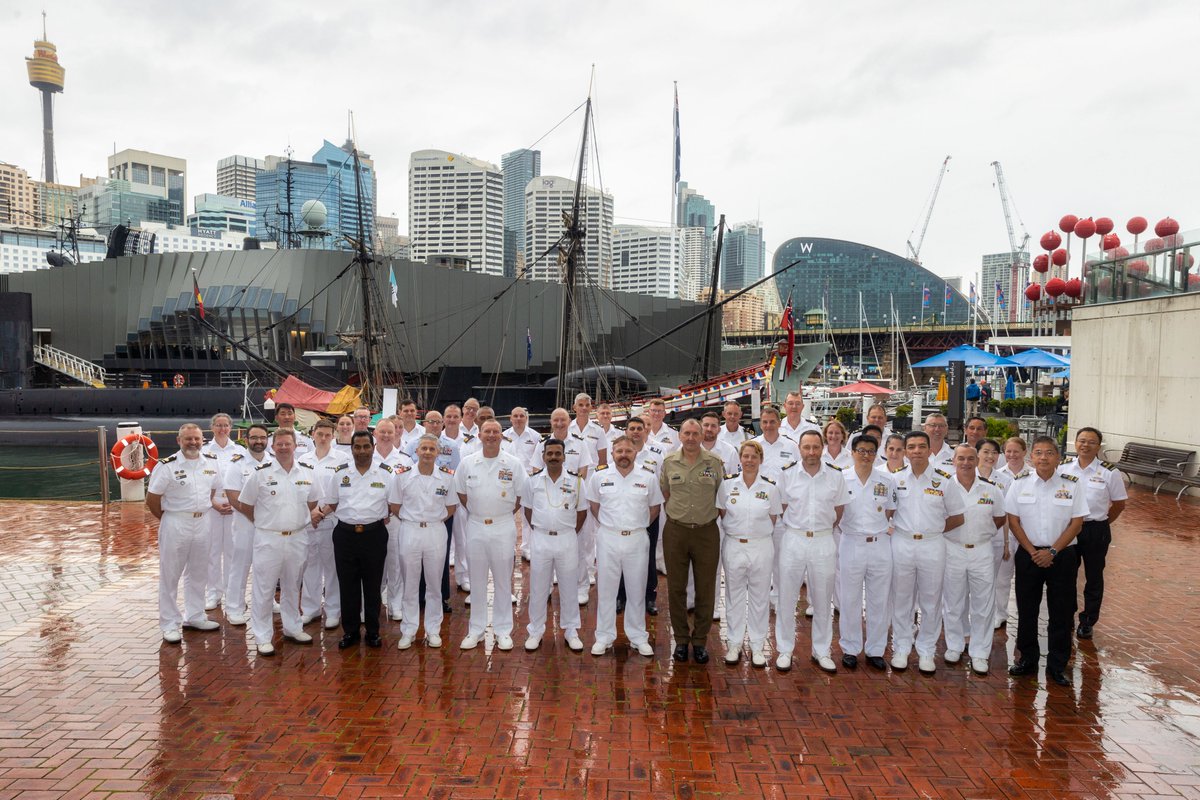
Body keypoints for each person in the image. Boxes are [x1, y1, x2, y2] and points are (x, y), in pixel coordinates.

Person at [1006, 436, 1089, 686]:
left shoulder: (1072, 484)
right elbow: (1013, 520)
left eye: (1049, 453)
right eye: (1039, 453)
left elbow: (1077, 523)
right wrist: (1033, 551)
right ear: (1031, 457)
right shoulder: (1019, 484)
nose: (1043, 457)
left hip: (1062, 556)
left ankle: (1057, 664)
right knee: (1027, 610)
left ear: (1058, 457)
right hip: (1029, 555)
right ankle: (1027, 659)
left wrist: (1052, 551)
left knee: (1061, 612)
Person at [235, 429, 319, 656]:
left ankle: (293, 627)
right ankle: (263, 636)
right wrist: (264, 523)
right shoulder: (260, 474)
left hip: (297, 537)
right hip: (268, 538)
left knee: (293, 585)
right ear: (273, 447)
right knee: (264, 588)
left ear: (295, 446)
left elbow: (313, 502)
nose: (283, 447)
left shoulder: (308, 472)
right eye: (279, 444)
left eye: (287, 444)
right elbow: (245, 504)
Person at [889, 430, 965, 675]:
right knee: (901, 599)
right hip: (902, 542)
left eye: (922, 446)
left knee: (931, 600)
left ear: (929, 449)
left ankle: (926, 650)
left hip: (933, 543)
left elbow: (957, 517)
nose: (917, 451)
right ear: (906, 452)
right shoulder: (896, 479)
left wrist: (936, 531)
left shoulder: (945, 480)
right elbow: (888, 512)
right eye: (911, 447)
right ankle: (901, 647)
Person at [776, 430, 848, 673]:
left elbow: (839, 510)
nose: (811, 452)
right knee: (787, 597)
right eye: (806, 447)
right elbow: (782, 506)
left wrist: (822, 528)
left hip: (823, 540)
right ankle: (785, 649)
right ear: (799, 448)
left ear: (823, 447)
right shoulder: (787, 474)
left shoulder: (835, 476)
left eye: (816, 447)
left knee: (822, 599)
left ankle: (821, 650)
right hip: (794, 538)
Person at [586, 435, 663, 657]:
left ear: (635, 452)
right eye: (619, 451)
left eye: (628, 451)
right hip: (608, 537)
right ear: (612, 453)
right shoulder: (600, 476)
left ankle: (638, 637)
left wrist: (637, 526)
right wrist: (612, 526)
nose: (623, 455)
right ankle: (604, 636)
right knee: (607, 590)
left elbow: (654, 508)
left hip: (637, 538)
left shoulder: (647, 477)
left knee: (637, 590)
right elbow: (594, 505)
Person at [147, 423, 224, 643]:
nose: (193, 443)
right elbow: (152, 499)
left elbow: (212, 490)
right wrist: (169, 519)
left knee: (199, 572)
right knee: (170, 575)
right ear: (179, 440)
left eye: (197, 439)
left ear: (203, 440)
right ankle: (170, 623)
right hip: (175, 522)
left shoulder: (211, 463)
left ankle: (195, 615)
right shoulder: (167, 466)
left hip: (203, 522)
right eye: (188, 439)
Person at [455, 419, 527, 651]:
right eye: (487, 431)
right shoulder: (467, 463)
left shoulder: (513, 464)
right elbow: (461, 494)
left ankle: (503, 630)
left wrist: (500, 513)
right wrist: (480, 511)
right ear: (480, 435)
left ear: (501, 436)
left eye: (496, 431)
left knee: (503, 580)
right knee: (476, 580)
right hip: (475, 525)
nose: (492, 435)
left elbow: (520, 497)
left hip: (503, 526)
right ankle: (475, 630)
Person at [317, 430, 394, 649]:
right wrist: (317, 513)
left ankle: (372, 631)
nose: (361, 451)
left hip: (374, 536)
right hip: (345, 536)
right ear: (351, 449)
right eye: (357, 447)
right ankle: (350, 632)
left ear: (373, 447)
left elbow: (394, 504)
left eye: (366, 446)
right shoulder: (340, 474)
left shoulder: (386, 474)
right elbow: (331, 503)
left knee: (373, 586)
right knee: (347, 586)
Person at [659, 419, 725, 665]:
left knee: (705, 588)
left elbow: (721, 494)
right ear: (680, 435)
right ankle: (681, 640)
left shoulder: (715, 463)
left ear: (701, 435)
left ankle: (699, 641)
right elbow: (665, 493)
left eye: (695, 433)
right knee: (676, 588)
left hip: (706, 532)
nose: (690, 437)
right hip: (676, 531)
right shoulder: (668, 462)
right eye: (686, 433)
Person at [387, 434, 457, 650]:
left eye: (431, 449)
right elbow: (395, 505)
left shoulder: (447, 477)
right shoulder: (402, 476)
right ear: (416, 451)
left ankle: (433, 630)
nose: (427, 452)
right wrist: (415, 519)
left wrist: (432, 520)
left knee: (435, 584)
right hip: (410, 531)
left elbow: (451, 507)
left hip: (436, 531)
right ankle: (408, 630)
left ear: (438, 453)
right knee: (410, 583)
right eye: (424, 448)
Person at [941, 443, 1006, 675]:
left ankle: (979, 652)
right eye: (961, 459)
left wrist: (980, 534)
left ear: (977, 460)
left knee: (983, 604)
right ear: (953, 461)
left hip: (981, 550)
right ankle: (955, 646)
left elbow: (999, 518)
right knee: (953, 601)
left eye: (970, 458)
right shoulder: (944, 486)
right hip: (953, 548)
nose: (966, 463)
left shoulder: (991, 489)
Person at [717, 440, 782, 666]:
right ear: (740, 459)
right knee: (734, 597)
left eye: (754, 456)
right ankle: (734, 644)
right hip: (734, 544)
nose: (749, 460)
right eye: (745, 456)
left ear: (761, 460)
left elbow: (773, 517)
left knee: (759, 597)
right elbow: (722, 513)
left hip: (761, 545)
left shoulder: (770, 487)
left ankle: (757, 645)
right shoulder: (726, 485)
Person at [1060, 427, 1127, 639]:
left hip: (1095, 528)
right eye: (1081, 441)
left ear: (1099, 446)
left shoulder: (1109, 472)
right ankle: (1066, 615)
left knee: (1094, 576)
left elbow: (1119, 504)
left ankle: (1088, 620)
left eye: (1090, 442)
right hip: (1069, 528)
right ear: (1075, 443)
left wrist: (1103, 522)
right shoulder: (1063, 468)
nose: (1085, 445)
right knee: (1066, 574)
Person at [836, 434, 896, 672]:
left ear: (876, 453)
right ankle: (850, 648)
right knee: (849, 598)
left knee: (879, 600)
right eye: (861, 450)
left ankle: (875, 650)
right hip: (850, 542)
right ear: (852, 452)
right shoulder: (841, 478)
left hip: (880, 543)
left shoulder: (887, 479)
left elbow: (891, 510)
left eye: (871, 451)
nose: (866, 455)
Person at [522, 438, 587, 652]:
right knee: (539, 587)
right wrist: (542, 530)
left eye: (557, 453)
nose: (553, 457)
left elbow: (582, 512)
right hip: (540, 538)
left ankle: (571, 631)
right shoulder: (532, 481)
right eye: (549, 453)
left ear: (564, 456)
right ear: (543, 456)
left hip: (567, 538)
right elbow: (528, 510)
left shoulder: (577, 482)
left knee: (569, 586)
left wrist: (566, 532)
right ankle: (535, 630)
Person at [615, 416, 667, 615]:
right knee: (620, 557)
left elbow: (662, 482)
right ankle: (621, 596)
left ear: (646, 430)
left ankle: (649, 597)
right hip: (623, 516)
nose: (636, 431)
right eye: (632, 428)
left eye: (639, 428)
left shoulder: (657, 453)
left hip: (648, 515)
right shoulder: (620, 452)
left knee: (649, 556)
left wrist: (650, 517)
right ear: (626, 431)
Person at [221, 424, 270, 626]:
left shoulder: (273, 462)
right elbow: (233, 496)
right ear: (246, 439)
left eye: (262, 437)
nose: (258, 441)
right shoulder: (237, 464)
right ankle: (234, 607)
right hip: (245, 523)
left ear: (268, 439)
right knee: (240, 566)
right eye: (254, 437)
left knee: (267, 566)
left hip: (268, 524)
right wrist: (255, 516)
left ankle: (268, 602)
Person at [298, 419, 343, 630]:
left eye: (327, 434)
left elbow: (343, 492)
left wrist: (322, 512)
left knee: (332, 568)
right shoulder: (302, 459)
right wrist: (310, 513)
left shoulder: (343, 459)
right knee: (310, 567)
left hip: (331, 519)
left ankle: (333, 610)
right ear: (313, 434)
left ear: (333, 436)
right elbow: (299, 490)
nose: (323, 438)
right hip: (308, 521)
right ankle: (310, 609)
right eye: (320, 434)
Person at [203, 413, 247, 612]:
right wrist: (212, 502)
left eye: (225, 425)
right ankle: (213, 593)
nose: (222, 429)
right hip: (211, 505)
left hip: (234, 506)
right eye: (218, 425)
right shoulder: (204, 451)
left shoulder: (240, 451)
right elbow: (202, 481)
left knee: (233, 551)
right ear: (212, 427)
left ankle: (232, 593)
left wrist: (235, 502)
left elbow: (244, 478)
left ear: (230, 427)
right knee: (212, 552)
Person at [374, 419, 415, 622]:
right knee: (374, 564)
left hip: (396, 518)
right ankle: (373, 603)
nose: (386, 435)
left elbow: (410, 488)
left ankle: (395, 604)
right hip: (372, 519)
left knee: (396, 563)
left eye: (390, 432)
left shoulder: (405, 460)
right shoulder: (365, 456)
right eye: (382, 431)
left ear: (396, 434)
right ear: (375, 433)